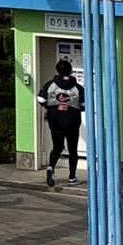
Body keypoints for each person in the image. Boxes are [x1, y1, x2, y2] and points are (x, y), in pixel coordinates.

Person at [40, 56, 85, 187]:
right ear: (70, 71)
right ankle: (72, 177)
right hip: (72, 122)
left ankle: (50, 168)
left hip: (55, 122)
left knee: (57, 147)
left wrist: (51, 107)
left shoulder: (50, 85)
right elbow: (84, 104)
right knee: (72, 150)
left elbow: (41, 100)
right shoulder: (77, 87)